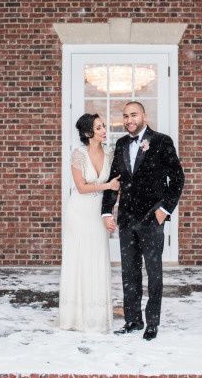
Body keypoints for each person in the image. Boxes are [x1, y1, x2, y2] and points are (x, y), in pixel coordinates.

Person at [101, 101, 185, 340]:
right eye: (125, 116)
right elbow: (114, 179)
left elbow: (177, 178)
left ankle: (152, 323)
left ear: (144, 116)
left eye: (133, 115)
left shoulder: (161, 141)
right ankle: (133, 320)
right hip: (126, 219)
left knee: (154, 272)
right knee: (129, 272)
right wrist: (107, 211)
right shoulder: (120, 144)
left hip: (152, 218)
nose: (129, 120)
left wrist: (165, 209)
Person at [59, 113, 120, 332]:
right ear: (87, 133)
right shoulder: (78, 154)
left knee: (97, 257)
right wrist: (107, 186)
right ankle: (74, 316)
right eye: (98, 128)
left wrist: (110, 210)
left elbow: (118, 185)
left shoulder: (111, 153)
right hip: (79, 212)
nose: (104, 130)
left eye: (103, 126)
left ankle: (96, 316)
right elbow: (82, 187)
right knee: (79, 259)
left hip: (98, 212)